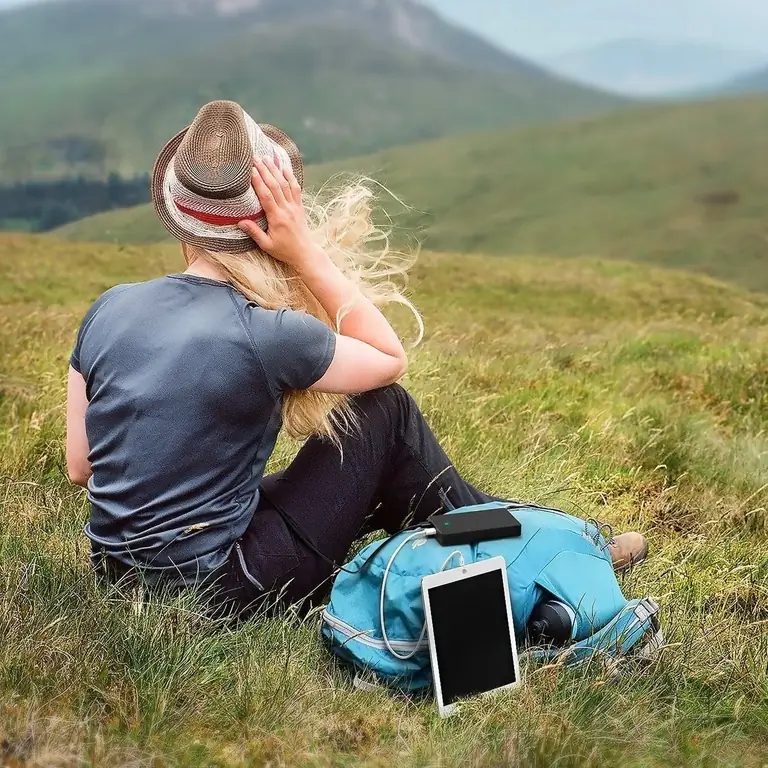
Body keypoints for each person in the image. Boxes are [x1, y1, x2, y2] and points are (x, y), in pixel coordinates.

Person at [66, 101, 648, 617]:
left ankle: (499, 538)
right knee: (384, 413)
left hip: (117, 576)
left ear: (178, 216)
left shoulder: (109, 308)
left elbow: (82, 467)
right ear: (270, 222)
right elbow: (388, 359)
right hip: (219, 590)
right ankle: (538, 549)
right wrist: (307, 252)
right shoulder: (266, 332)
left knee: (378, 461)